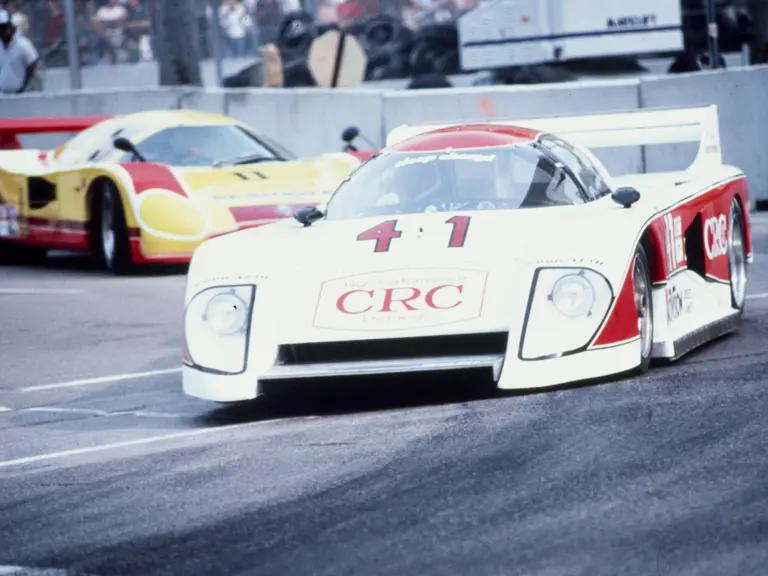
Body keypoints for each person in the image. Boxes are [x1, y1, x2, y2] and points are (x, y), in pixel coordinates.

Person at [0, 9, 39, 95]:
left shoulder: (22, 44)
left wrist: (23, 87)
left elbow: (33, 64)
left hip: (21, 94)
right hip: (3, 93)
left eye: (5, 27)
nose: (3, 31)